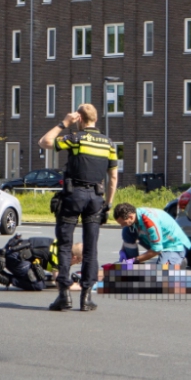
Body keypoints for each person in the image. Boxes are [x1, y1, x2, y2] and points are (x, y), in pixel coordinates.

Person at [39, 104, 118, 312]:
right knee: (91, 249)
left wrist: (64, 123)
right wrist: (108, 204)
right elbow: (113, 177)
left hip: (73, 196)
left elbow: (45, 141)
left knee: (65, 245)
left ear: (80, 119)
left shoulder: (76, 138)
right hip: (96, 198)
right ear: (96, 120)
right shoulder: (109, 144)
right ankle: (86, 298)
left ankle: (64, 295)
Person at [0, 235, 83, 291]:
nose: (76, 264)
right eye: (79, 261)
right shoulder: (59, 256)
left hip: (14, 253)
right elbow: (60, 284)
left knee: (41, 277)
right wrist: (79, 286)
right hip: (15, 258)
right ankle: (1, 277)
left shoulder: (61, 245)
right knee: (38, 285)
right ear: (75, 257)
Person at [113, 203, 191, 266]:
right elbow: (128, 236)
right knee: (126, 230)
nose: (122, 225)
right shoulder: (135, 216)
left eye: (123, 223)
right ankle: (133, 267)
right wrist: (123, 250)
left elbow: (156, 250)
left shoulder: (149, 221)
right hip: (157, 241)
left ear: (130, 217)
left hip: (173, 245)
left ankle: (179, 261)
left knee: (162, 273)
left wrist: (135, 260)